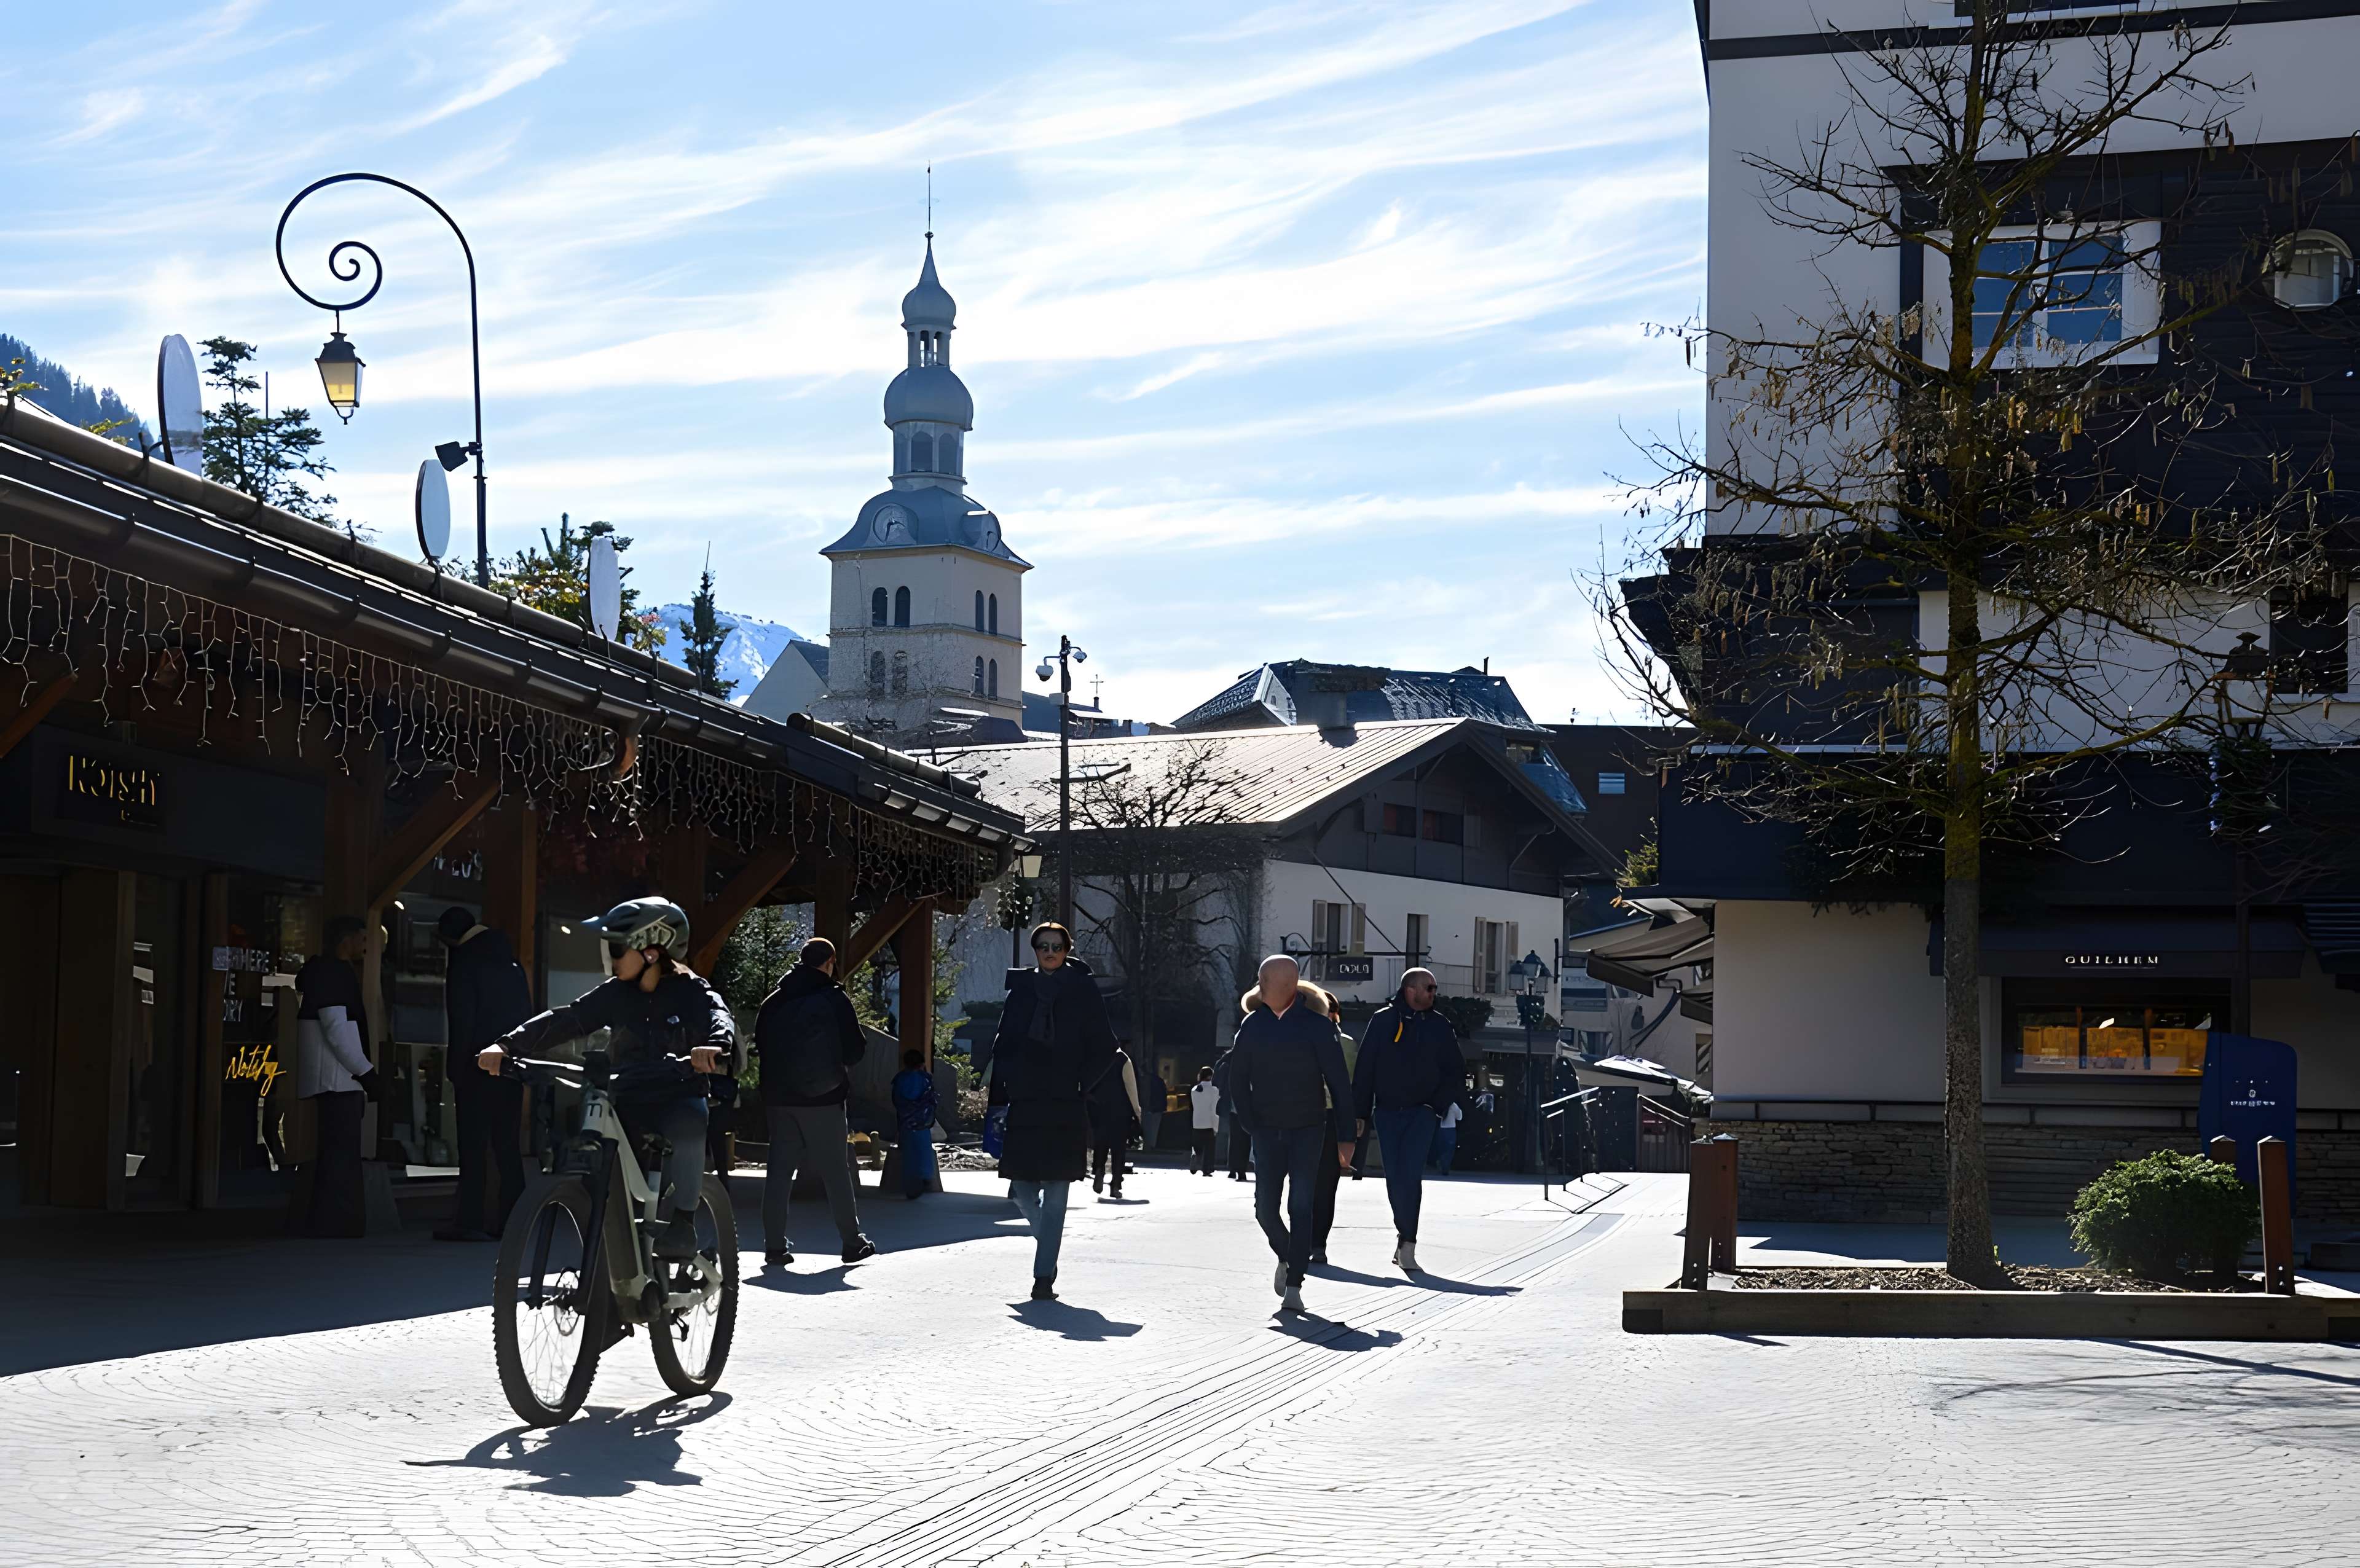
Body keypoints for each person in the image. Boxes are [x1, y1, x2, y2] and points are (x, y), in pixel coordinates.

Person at [478, 897, 736, 1262]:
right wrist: (507, 1045)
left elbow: (718, 1017)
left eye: (617, 948)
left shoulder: (691, 991)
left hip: (676, 1091)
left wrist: (713, 1045)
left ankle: (684, 1221)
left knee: (689, 1123)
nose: (611, 959)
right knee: (600, 1151)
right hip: (627, 1093)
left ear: (651, 952)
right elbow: (568, 1019)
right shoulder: (616, 993)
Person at [984, 922, 1115, 1301]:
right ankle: (1050, 1245)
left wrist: (1082, 1084)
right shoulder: (1021, 989)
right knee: (1021, 1192)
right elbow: (1003, 1042)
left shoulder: (1083, 989)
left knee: (1057, 1190)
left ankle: (1044, 1277)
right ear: (1035, 950)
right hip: (1026, 1099)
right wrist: (999, 1096)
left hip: (1065, 1100)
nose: (1050, 952)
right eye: (1043, 946)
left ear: (1068, 949)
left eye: (1057, 946)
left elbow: (1104, 1045)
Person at [1227, 955, 1353, 1315]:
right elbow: (1237, 1079)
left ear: (1277, 985)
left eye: (1262, 979)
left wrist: (1347, 1137)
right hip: (1266, 1131)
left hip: (1308, 1130)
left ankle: (1295, 1283)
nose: (1258, 985)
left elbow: (1340, 1085)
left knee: (1301, 1206)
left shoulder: (1317, 1027)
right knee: (1265, 1210)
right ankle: (1287, 1256)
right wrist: (1251, 1123)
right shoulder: (1252, 1026)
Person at [752, 936, 875, 1267]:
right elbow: (855, 1050)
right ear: (830, 962)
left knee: (778, 1172)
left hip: (779, 1099)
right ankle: (851, 1242)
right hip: (824, 1099)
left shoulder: (774, 1001)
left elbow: (761, 1045)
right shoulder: (834, 999)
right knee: (836, 1170)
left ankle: (774, 1247)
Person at [1353, 966, 1465, 1274]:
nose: (1433, 993)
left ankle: (1409, 1243)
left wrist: (1436, 1106)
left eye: (1434, 988)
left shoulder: (1440, 1025)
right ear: (1410, 990)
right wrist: (1360, 1113)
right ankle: (1403, 1234)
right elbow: (1365, 1069)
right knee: (1394, 1179)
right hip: (1387, 1112)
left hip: (1423, 1113)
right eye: (1428, 988)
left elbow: (1456, 1070)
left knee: (1411, 1176)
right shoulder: (1383, 1020)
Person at [435, 906, 533, 1242]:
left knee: (473, 1145)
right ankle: (516, 1220)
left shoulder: (465, 963)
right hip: (510, 1064)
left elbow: (462, 1021)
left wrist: (455, 1069)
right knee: (507, 1146)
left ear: (449, 938)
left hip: (476, 1065)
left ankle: (471, 1220)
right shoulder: (513, 965)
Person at [296, 915, 384, 1238]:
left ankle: (331, 1221)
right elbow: (336, 1029)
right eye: (362, 939)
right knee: (340, 1153)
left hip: (335, 1075)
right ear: (345, 940)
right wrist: (366, 1072)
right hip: (337, 1077)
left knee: (336, 1152)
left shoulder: (324, 972)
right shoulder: (332, 974)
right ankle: (337, 1222)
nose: (365, 946)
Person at [1088, 1043, 1141, 1198]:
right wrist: (1137, 1112)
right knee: (1119, 1150)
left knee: (1100, 1145)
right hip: (1120, 1111)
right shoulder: (1123, 1059)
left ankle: (1099, 1170)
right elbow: (1131, 1087)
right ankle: (1115, 1185)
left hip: (1098, 1109)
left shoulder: (1095, 1059)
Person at [891, 1049, 939, 1200]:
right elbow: (932, 1100)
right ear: (921, 1064)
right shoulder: (925, 1079)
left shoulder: (899, 1079)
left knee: (909, 1154)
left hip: (906, 1122)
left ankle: (911, 1186)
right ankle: (925, 1178)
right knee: (923, 1151)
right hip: (922, 1123)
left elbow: (896, 1100)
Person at [1188, 1065, 1220, 1175]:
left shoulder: (1194, 1090)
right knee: (1209, 1149)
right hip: (1209, 1123)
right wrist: (1216, 1126)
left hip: (1196, 1123)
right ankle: (1207, 1169)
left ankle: (1195, 1158)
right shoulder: (1214, 1091)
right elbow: (1214, 1110)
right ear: (1211, 1076)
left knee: (1198, 1146)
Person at [1138, 1060, 1167, 1154]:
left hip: (1149, 1107)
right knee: (1154, 1128)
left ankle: (1147, 1147)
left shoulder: (1145, 1081)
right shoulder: (1159, 1080)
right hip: (1157, 1108)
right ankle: (1151, 1146)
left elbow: (1145, 1095)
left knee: (1147, 1128)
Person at [1431, 1099, 1463, 1176]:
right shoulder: (1454, 1106)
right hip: (1451, 1129)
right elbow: (1460, 1117)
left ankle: (1442, 1163)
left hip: (1442, 1129)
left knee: (1442, 1149)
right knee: (1450, 1150)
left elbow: (1437, 1114)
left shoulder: (1443, 1103)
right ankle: (1445, 1167)